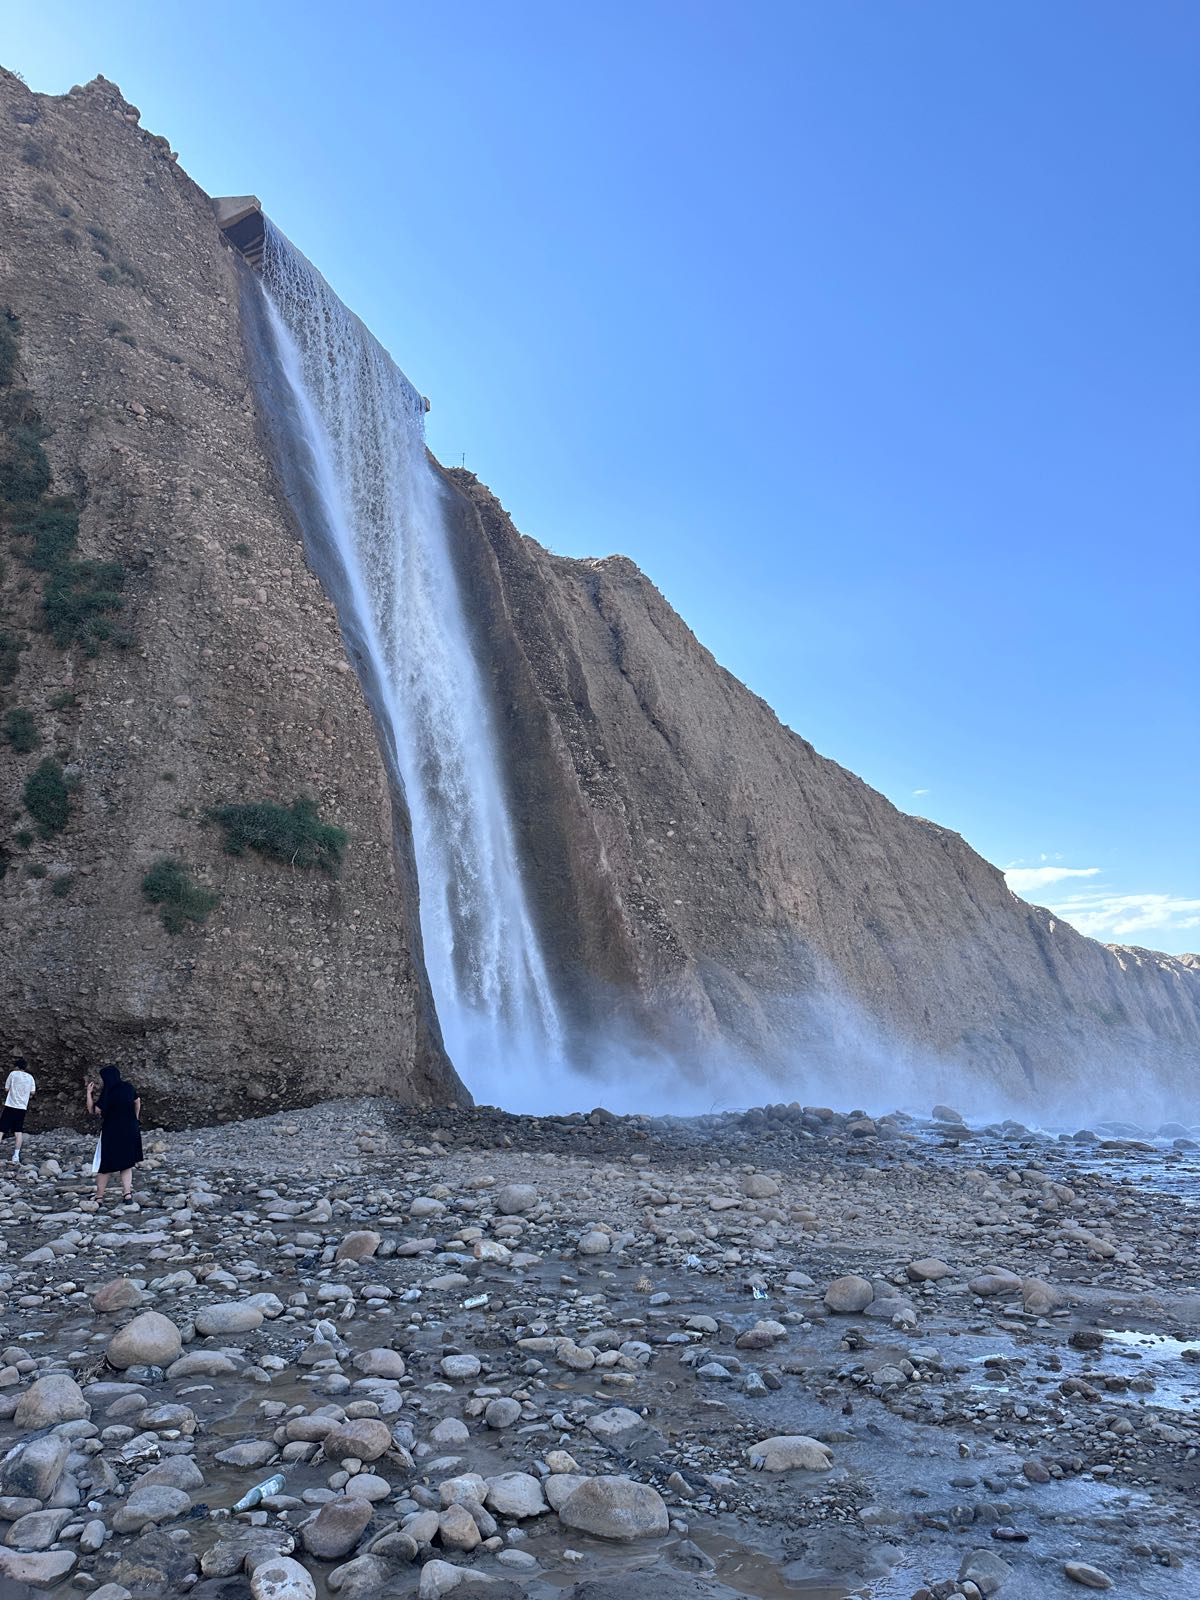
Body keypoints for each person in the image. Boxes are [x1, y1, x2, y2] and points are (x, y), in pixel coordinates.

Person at [86, 1065, 143, 1203]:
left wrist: (89, 1093)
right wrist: (135, 1118)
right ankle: (127, 1194)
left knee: (105, 1164)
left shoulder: (108, 1091)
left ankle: (99, 1197)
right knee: (126, 1162)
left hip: (112, 1130)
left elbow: (94, 1110)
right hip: (130, 1128)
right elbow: (137, 1101)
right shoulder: (128, 1087)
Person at [0, 1058, 37, 1164]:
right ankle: (16, 1156)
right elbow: (33, 1092)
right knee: (18, 1132)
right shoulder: (30, 1077)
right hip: (21, 1108)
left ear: (16, 1067)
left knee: (1, 1130)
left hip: (10, 1106)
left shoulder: (13, 1074)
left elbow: (6, 1089)